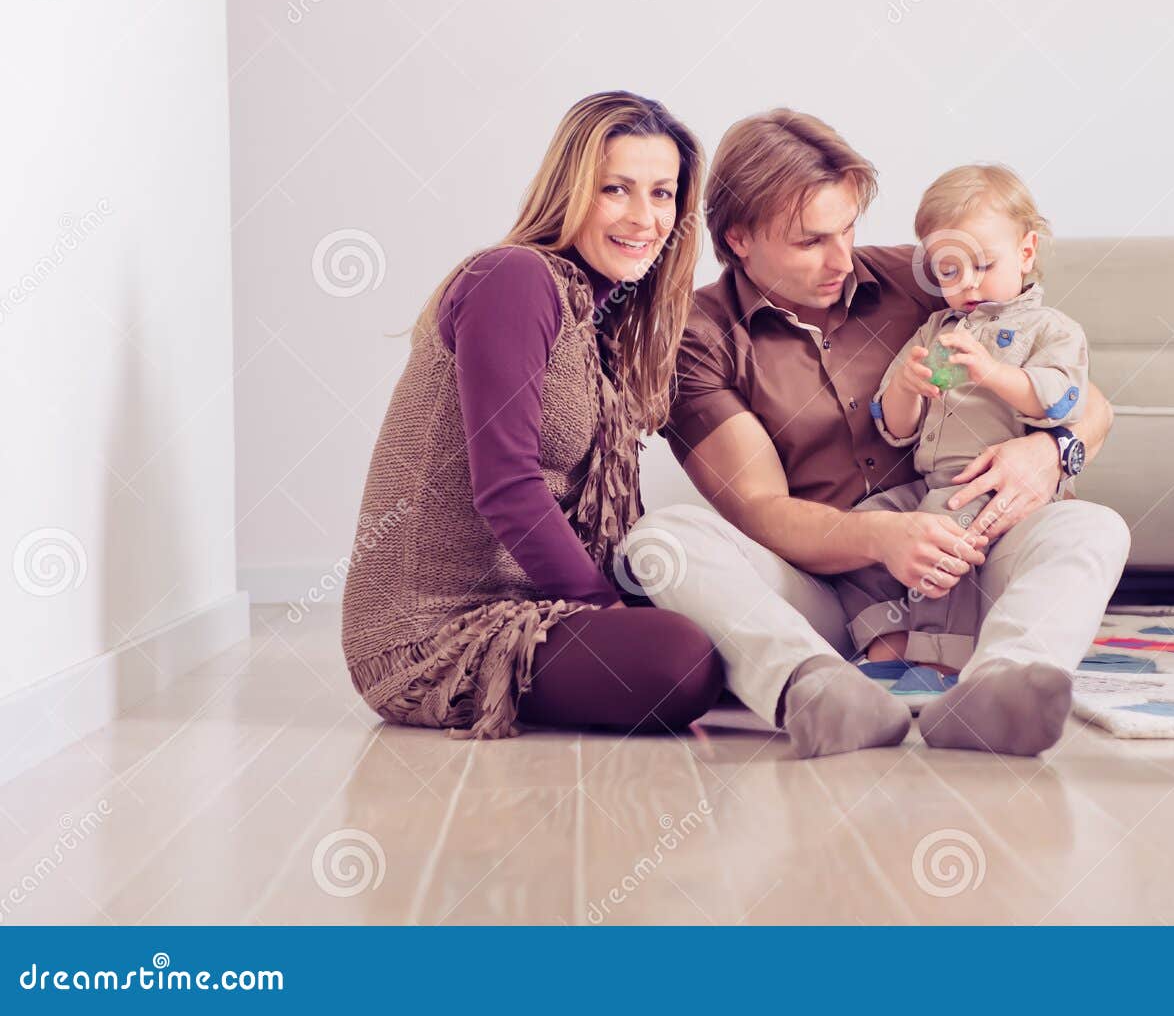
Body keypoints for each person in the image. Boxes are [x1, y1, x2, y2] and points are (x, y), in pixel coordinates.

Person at [626, 109, 1129, 759]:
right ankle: (818, 690)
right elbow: (760, 508)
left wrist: (1052, 453)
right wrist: (883, 538)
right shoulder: (699, 337)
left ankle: (998, 687)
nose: (842, 259)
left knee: (1094, 528)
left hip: (968, 563)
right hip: (827, 596)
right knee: (663, 539)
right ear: (740, 238)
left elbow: (1091, 405)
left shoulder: (918, 279)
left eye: (848, 229)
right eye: (811, 241)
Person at [340, 91, 722, 740]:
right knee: (683, 660)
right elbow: (508, 489)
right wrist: (611, 613)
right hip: (435, 632)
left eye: (663, 195)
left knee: (722, 608)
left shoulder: (603, 323)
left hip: (539, 604)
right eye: (616, 189)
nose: (644, 217)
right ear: (570, 189)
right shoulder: (513, 280)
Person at [835, 164, 1092, 714]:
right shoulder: (937, 331)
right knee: (861, 527)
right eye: (950, 271)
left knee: (942, 534)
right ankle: (886, 640)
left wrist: (996, 375)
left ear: (1025, 253)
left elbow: (1062, 399)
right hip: (935, 478)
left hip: (997, 484)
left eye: (984, 265)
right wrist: (907, 386)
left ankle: (942, 661)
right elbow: (894, 426)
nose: (967, 284)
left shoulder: (1050, 330)